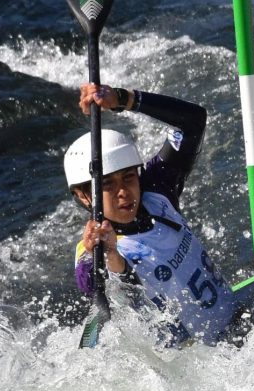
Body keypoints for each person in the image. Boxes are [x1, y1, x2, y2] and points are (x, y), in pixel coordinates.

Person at [64, 83, 237, 345]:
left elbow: (193, 121)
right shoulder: (96, 248)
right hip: (205, 362)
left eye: (129, 177)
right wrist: (108, 254)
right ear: (83, 196)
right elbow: (93, 283)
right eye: (108, 184)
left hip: (239, 320)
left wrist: (125, 99)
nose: (124, 192)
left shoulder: (157, 191)